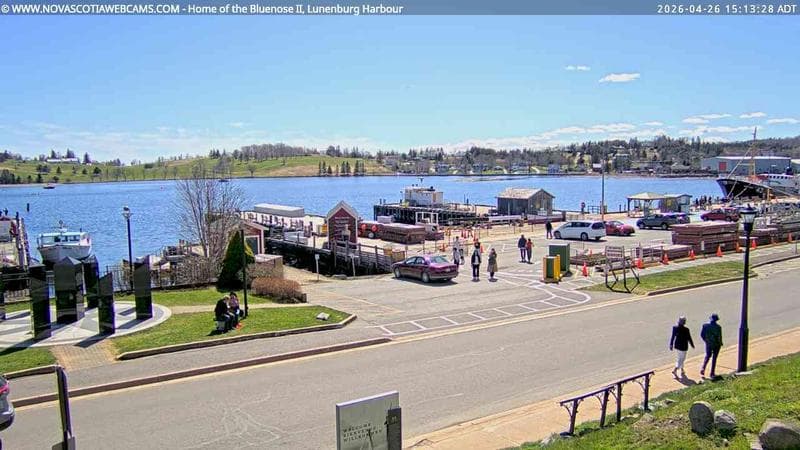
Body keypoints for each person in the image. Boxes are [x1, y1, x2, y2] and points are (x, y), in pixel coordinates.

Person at [700, 313, 723, 378]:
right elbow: (719, 337)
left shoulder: (705, 325)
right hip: (716, 344)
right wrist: (720, 343)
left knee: (707, 356)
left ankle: (703, 367)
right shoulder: (718, 327)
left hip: (709, 343)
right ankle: (712, 373)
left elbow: (702, 335)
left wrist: (706, 341)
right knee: (714, 358)